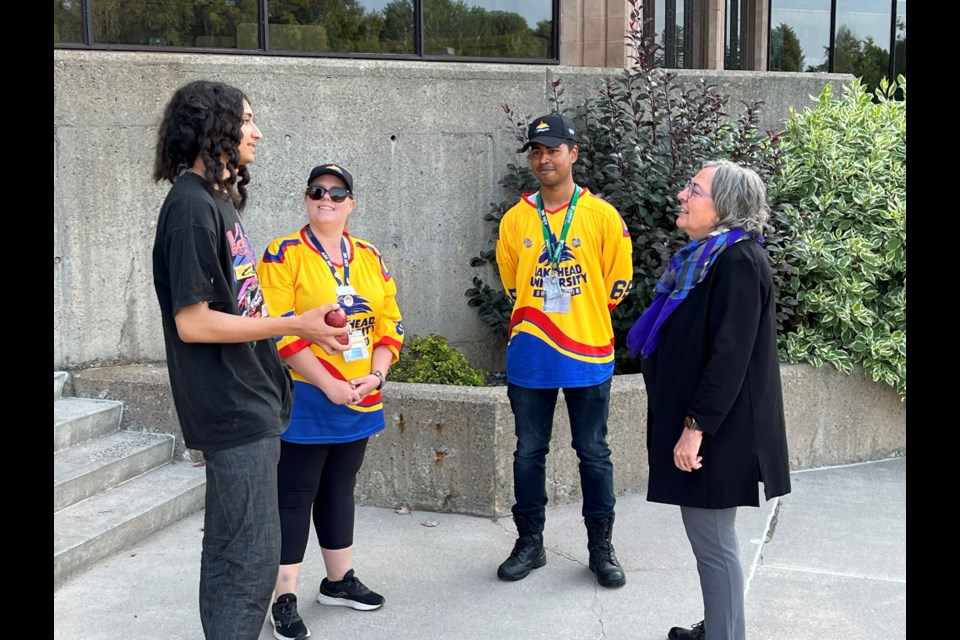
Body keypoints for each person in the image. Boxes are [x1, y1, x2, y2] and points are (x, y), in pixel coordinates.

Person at [151, 80, 349, 640]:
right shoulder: (191, 208)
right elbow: (192, 323)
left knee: (236, 550)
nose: (257, 131)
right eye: (247, 120)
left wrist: (307, 330)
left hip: (250, 403)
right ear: (214, 127)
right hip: (231, 410)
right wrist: (297, 324)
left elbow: (236, 308)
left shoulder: (213, 201)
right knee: (250, 558)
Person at [626, 160, 792, 640]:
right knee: (713, 544)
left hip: (717, 432)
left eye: (693, 189)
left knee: (714, 544)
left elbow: (730, 356)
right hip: (709, 426)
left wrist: (694, 428)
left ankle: (724, 634)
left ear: (725, 208)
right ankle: (720, 627)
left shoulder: (738, 262)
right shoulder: (708, 258)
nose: (682, 194)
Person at [258, 163, 404, 640]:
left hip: (361, 394)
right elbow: (280, 330)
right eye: (317, 191)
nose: (327, 198)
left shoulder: (369, 255)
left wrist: (375, 375)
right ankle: (283, 596)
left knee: (340, 486)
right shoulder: (284, 254)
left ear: (351, 204)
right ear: (306, 198)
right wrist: (328, 384)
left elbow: (389, 324)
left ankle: (338, 581)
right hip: (307, 396)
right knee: (296, 494)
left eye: (337, 193)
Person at [495, 113, 634, 588]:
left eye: (552, 149)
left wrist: (580, 312)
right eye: (536, 151)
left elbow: (618, 282)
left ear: (572, 154)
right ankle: (530, 543)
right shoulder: (516, 219)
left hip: (588, 352)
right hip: (531, 352)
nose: (543, 158)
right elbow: (512, 280)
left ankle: (601, 547)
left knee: (593, 452)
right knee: (528, 452)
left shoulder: (601, 215)